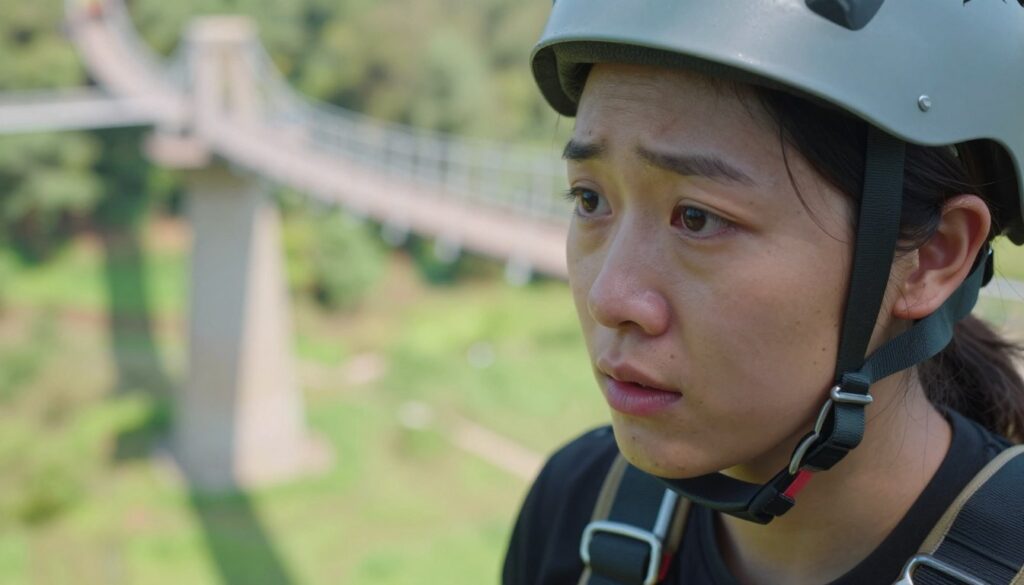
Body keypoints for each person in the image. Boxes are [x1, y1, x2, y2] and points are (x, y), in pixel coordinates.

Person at [503, 1, 1024, 584]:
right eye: (589, 200)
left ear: (932, 259)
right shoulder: (574, 506)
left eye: (697, 218)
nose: (610, 297)